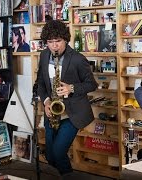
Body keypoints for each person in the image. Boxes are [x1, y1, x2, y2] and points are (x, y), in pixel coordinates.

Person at [37, 20, 98, 176]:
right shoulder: (43, 56)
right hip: (52, 111)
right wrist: (46, 102)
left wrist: (71, 88)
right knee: (50, 157)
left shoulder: (78, 58)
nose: (54, 46)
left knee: (58, 153)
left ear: (65, 39)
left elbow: (92, 84)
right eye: (50, 42)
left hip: (72, 113)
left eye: (58, 41)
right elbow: (41, 84)